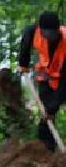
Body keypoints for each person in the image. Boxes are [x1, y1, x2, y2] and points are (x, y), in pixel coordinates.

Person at [17, 11, 64, 150]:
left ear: (58, 30)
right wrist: (23, 64)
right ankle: (46, 149)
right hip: (45, 76)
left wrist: (53, 106)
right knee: (45, 114)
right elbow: (26, 43)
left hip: (63, 79)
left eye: (52, 34)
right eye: (45, 34)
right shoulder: (33, 31)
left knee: (50, 108)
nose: (48, 37)